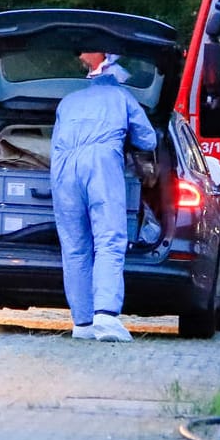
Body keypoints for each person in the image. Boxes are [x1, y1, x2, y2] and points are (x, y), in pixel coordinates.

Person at [49, 51, 156, 343]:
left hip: (62, 168)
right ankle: (106, 317)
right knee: (109, 239)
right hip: (101, 162)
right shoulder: (121, 97)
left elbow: (56, 139)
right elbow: (148, 139)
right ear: (117, 78)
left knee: (74, 246)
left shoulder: (68, 101)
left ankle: (82, 323)